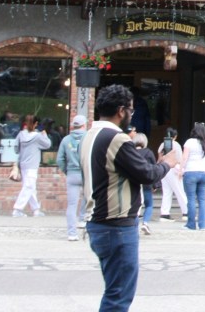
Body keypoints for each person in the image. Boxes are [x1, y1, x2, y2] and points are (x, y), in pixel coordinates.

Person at [82, 84, 176, 312]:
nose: (132, 115)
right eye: (131, 111)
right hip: (116, 224)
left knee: (114, 291)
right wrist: (167, 164)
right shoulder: (117, 139)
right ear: (121, 111)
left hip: (98, 221)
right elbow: (147, 174)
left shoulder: (90, 135)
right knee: (118, 296)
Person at [12, 114, 51, 218]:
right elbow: (48, 144)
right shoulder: (37, 136)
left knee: (30, 187)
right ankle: (17, 209)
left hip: (23, 164)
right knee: (29, 187)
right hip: (32, 165)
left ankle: (36, 210)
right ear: (35, 124)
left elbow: (16, 149)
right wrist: (44, 134)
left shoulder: (21, 134)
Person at [56, 114, 88, 240]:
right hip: (86, 174)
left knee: (72, 205)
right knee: (88, 199)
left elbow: (60, 160)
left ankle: (72, 233)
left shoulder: (66, 140)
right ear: (84, 125)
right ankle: (83, 220)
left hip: (72, 174)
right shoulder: (88, 138)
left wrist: (67, 170)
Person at [180, 122, 205, 231]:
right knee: (203, 200)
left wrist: (181, 169)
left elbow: (184, 157)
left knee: (191, 199)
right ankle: (203, 225)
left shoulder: (189, 142)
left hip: (190, 172)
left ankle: (191, 224)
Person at [158, 127, 188, 222]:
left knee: (166, 192)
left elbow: (159, 157)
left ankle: (164, 213)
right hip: (173, 169)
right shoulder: (176, 145)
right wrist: (181, 169)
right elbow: (179, 159)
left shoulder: (162, 144)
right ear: (175, 136)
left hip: (163, 169)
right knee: (180, 191)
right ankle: (186, 212)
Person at [134, 133, 156, 235]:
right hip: (146, 181)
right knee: (149, 204)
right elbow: (154, 168)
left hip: (134, 182)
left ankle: (134, 225)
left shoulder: (131, 152)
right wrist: (155, 184)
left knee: (135, 205)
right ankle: (145, 223)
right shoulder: (148, 152)